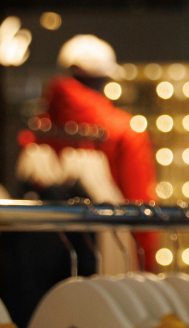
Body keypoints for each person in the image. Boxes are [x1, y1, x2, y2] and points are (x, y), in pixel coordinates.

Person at [40, 35, 158, 262]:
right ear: (105, 80)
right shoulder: (125, 130)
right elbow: (140, 209)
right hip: (109, 256)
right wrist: (146, 263)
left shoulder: (38, 129)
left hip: (43, 260)